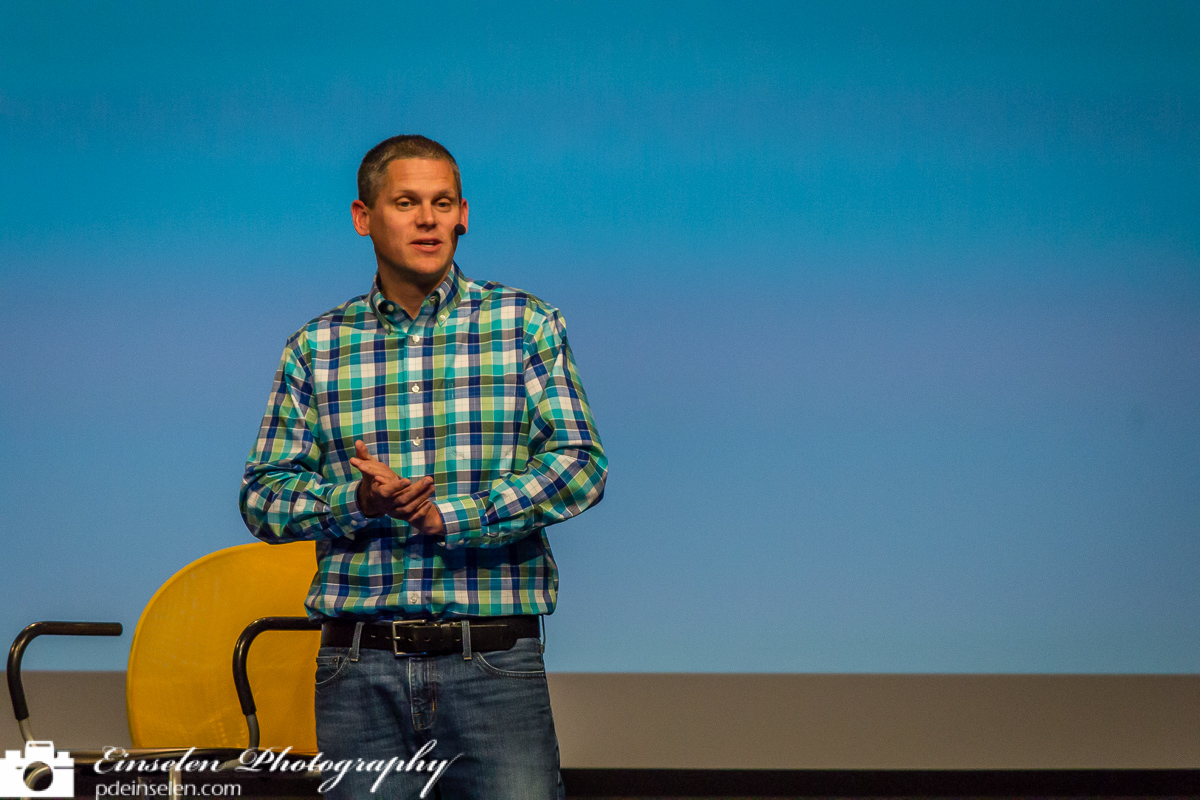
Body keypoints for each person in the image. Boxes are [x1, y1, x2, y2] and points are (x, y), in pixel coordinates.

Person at [238, 134, 607, 799]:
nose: (428, 219)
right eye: (406, 202)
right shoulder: (317, 347)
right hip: (358, 668)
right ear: (364, 217)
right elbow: (263, 497)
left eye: (442, 203)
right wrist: (356, 502)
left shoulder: (525, 325)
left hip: (492, 661)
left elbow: (580, 464)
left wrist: (454, 517)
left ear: (464, 214)